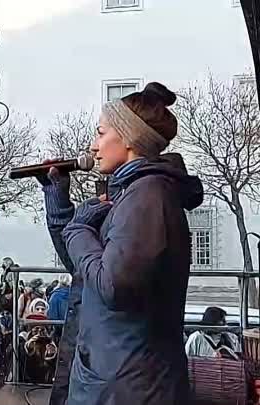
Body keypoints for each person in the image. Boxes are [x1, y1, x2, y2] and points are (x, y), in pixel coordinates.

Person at [43, 82, 201, 405]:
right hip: (117, 378)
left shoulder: (146, 199)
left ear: (128, 138)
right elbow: (85, 269)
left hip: (128, 386)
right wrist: (60, 206)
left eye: (100, 133)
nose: (93, 145)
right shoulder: (133, 194)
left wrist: (75, 229)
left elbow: (112, 285)